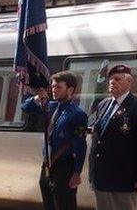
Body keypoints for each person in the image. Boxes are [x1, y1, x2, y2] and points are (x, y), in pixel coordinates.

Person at [89, 64, 137, 210]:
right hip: (100, 175)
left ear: (129, 82)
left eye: (117, 79)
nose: (113, 82)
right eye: (111, 79)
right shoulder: (103, 104)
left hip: (124, 176)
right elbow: (98, 139)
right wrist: (92, 173)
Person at [21, 71, 87, 210]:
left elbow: (80, 145)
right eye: (52, 87)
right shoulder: (50, 107)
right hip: (47, 164)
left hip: (64, 166)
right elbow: (25, 107)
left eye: (58, 87)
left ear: (70, 90)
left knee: (64, 204)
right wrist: (38, 97)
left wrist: (77, 172)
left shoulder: (78, 114)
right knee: (48, 203)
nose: (54, 90)